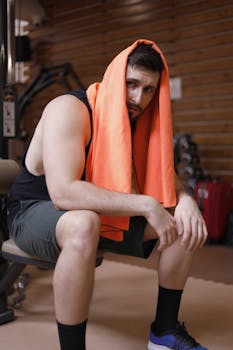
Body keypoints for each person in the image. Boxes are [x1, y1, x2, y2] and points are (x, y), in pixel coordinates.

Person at [7, 39, 208, 350]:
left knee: (183, 224)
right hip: (34, 210)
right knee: (83, 222)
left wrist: (187, 202)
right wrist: (145, 203)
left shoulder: (137, 123)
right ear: (115, 79)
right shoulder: (68, 110)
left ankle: (164, 332)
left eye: (148, 89)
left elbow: (164, 178)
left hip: (91, 214)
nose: (138, 98)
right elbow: (63, 193)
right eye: (131, 84)